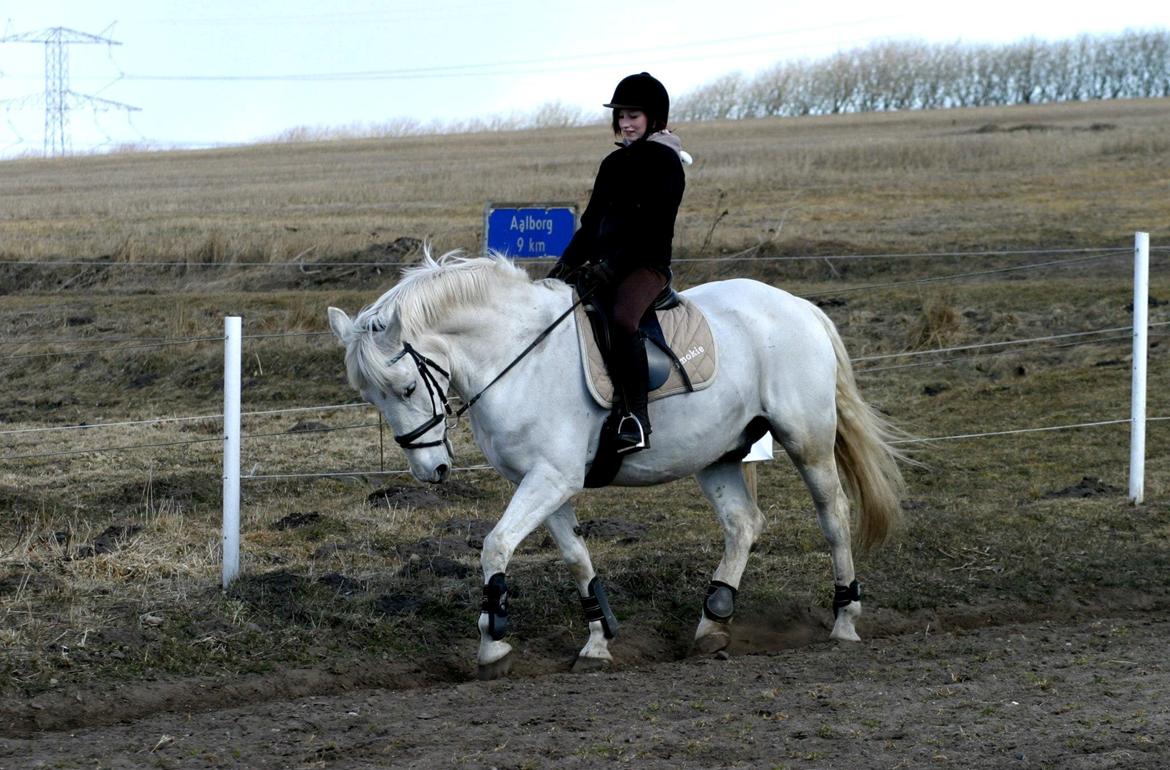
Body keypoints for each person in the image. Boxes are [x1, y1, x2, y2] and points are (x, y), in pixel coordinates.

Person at [549, 72, 689, 454]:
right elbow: (592, 224)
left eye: (634, 117)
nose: (626, 124)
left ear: (654, 118)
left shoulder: (666, 163)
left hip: (646, 267)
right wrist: (562, 268)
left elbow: (651, 226)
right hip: (604, 264)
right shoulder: (613, 163)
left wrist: (612, 265)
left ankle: (635, 418)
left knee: (624, 319)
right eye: (622, 117)